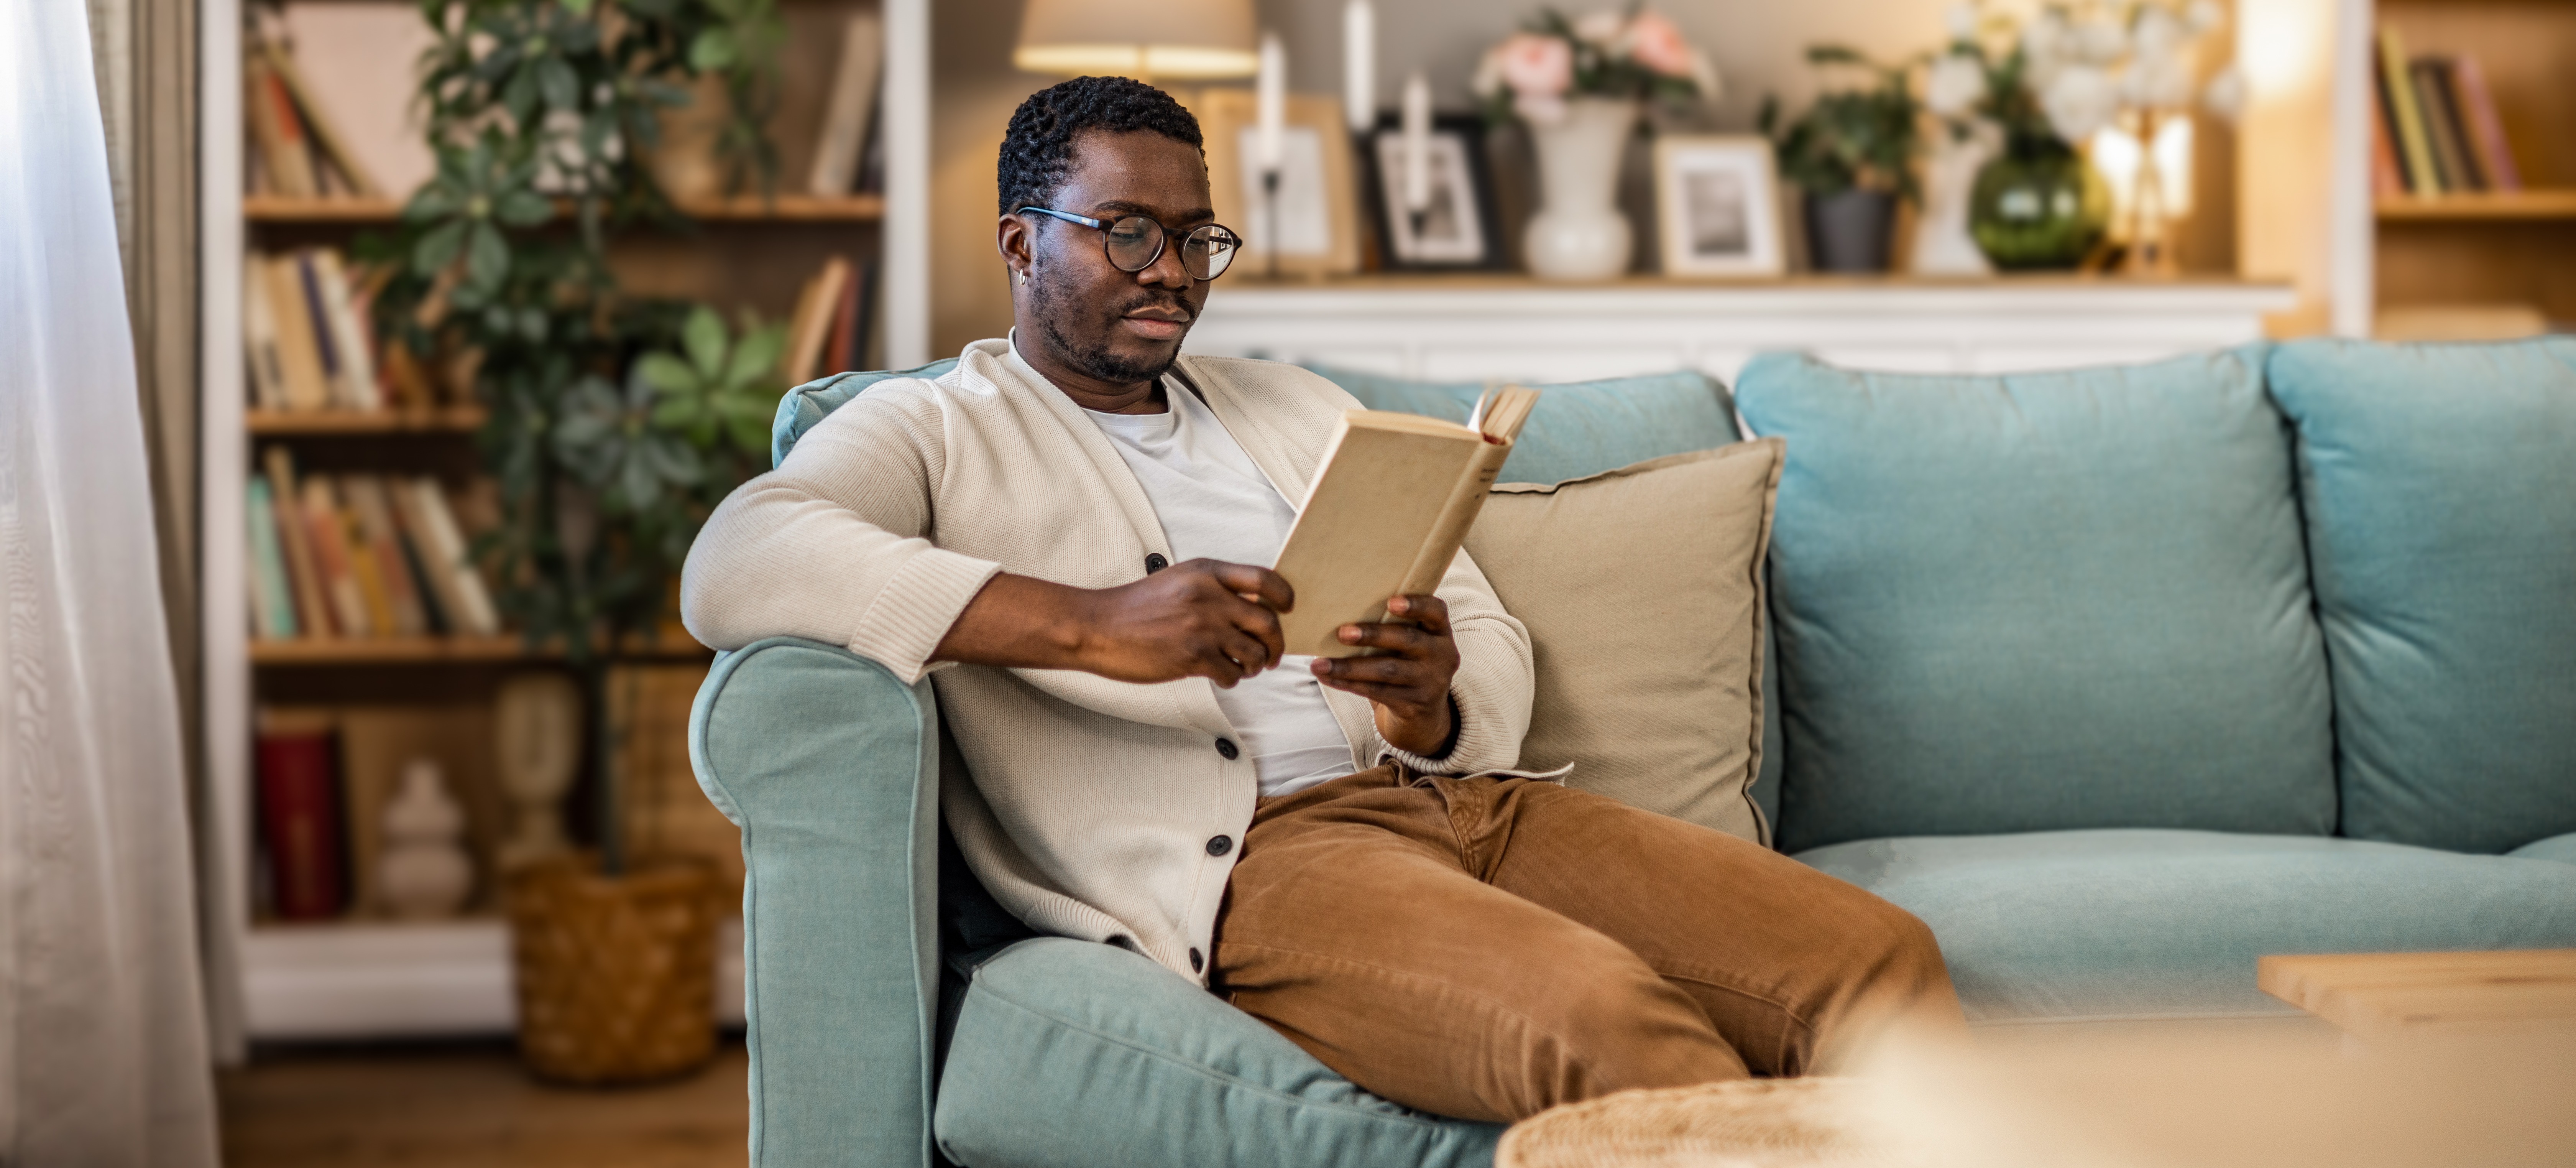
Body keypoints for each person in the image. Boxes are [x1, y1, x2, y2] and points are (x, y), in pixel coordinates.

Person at [680, 75, 1959, 1124]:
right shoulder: (935, 429)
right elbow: (740, 556)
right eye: (1127, 231)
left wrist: (1432, 700)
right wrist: (1093, 627)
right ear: (1022, 241)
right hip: (1261, 863)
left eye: (1197, 239)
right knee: (1611, 1031)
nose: (1169, 270)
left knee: (1877, 968)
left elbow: (1483, 628)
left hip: (1463, 807)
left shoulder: (1295, 404)